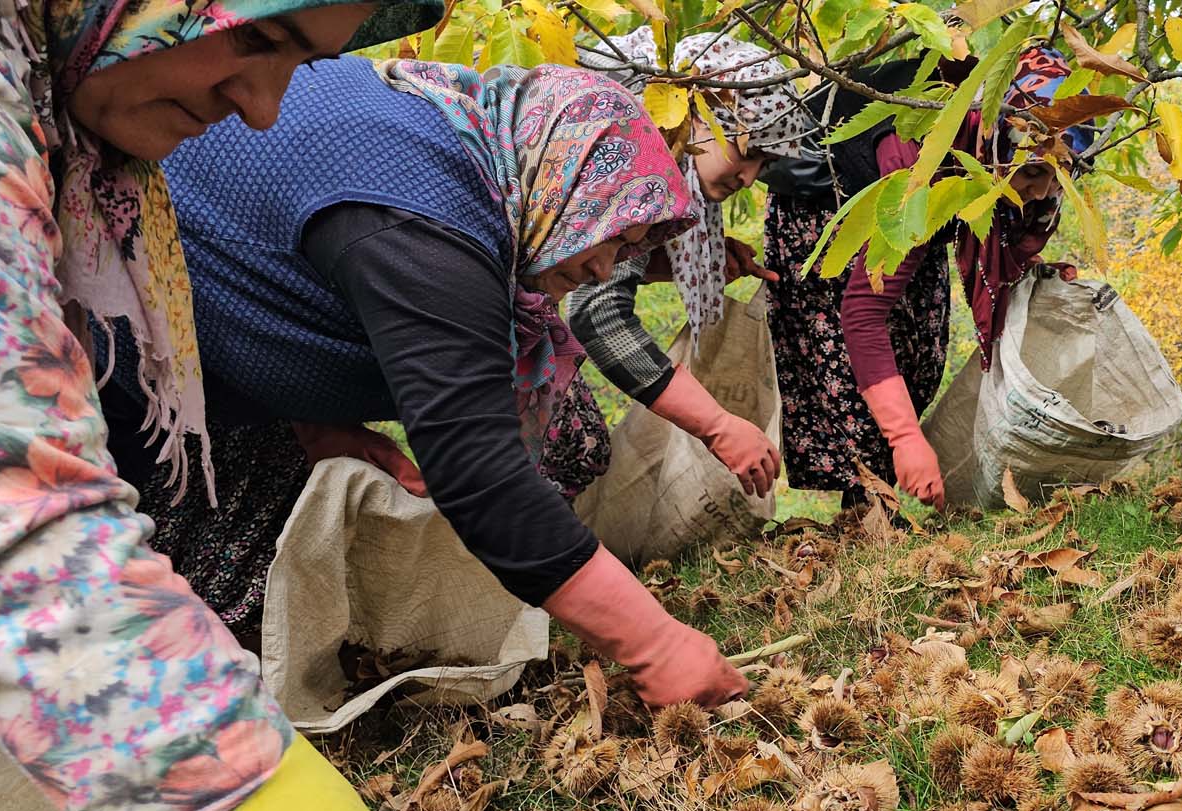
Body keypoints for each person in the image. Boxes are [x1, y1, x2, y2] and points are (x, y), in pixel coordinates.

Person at [0, 0, 607, 811]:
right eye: (256, 39)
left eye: (300, 62)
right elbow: (32, 553)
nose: (258, 109)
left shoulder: (66, 112)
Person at [96, 57, 750, 715]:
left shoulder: (456, 146)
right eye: (614, 234)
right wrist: (656, 646)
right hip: (108, 377)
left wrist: (314, 418)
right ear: (564, 170)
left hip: (176, 352)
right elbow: (482, 477)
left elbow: (265, 240)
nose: (603, 266)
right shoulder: (422, 225)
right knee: (129, 615)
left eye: (629, 249)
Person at [761, 48, 1094, 508]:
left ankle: (877, 501)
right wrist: (905, 440)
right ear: (997, 141)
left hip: (925, 215)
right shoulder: (924, 158)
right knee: (852, 359)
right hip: (830, 209)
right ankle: (870, 508)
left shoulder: (1000, 162)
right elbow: (863, 314)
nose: (1040, 192)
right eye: (1033, 172)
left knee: (921, 350)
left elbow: (998, 240)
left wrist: (1028, 270)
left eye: (1058, 175)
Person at [567, 30, 818, 497]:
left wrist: (676, 259)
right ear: (701, 118)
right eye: (748, 154)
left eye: (763, 164)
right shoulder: (638, 161)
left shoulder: (666, 155)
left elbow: (593, 261)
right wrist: (718, 425)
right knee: (566, 442)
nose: (749, 177)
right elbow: (596, 312)